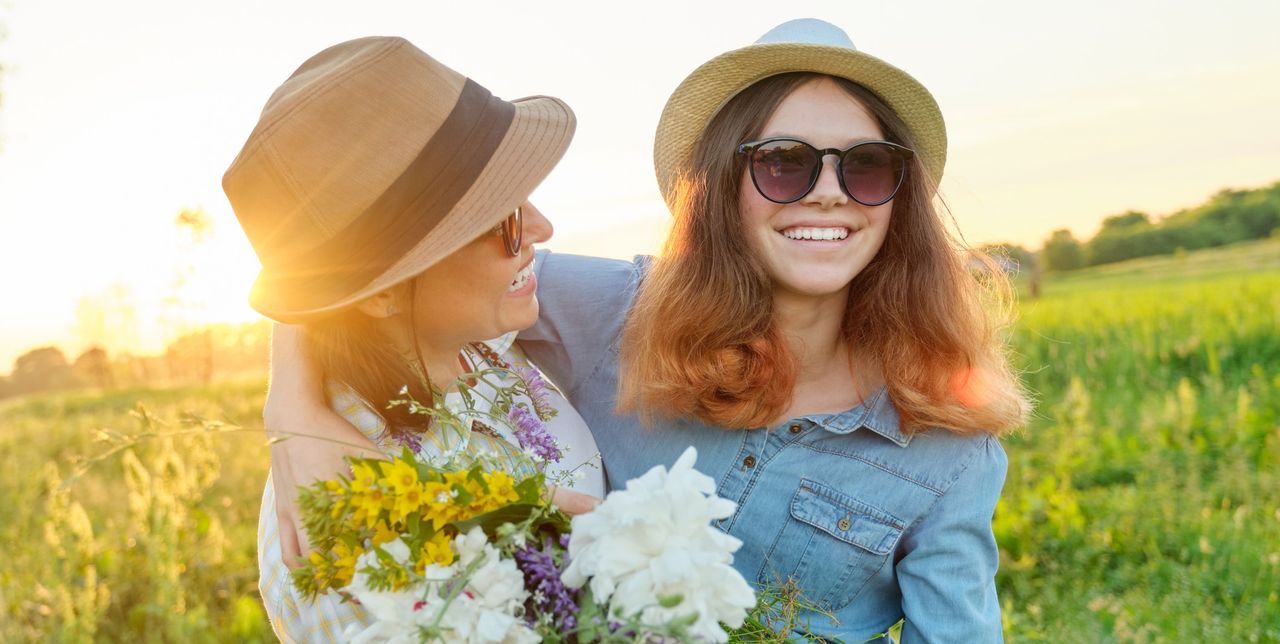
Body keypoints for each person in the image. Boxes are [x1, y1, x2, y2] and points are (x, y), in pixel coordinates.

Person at [266, 19, 1030, 641]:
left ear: (898, 198)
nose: (828, 194)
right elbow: (377, 273)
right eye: (784, 164)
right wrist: (292, 412)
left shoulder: (950, 446)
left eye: (866, 167)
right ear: (721, 185)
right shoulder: (612, 311)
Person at [223, 36, 604, 641]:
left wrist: (288, 401)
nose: (541, 228)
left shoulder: (485, 338)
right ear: (381, 291)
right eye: (499, 216)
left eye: (523, 192)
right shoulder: (347, 543)